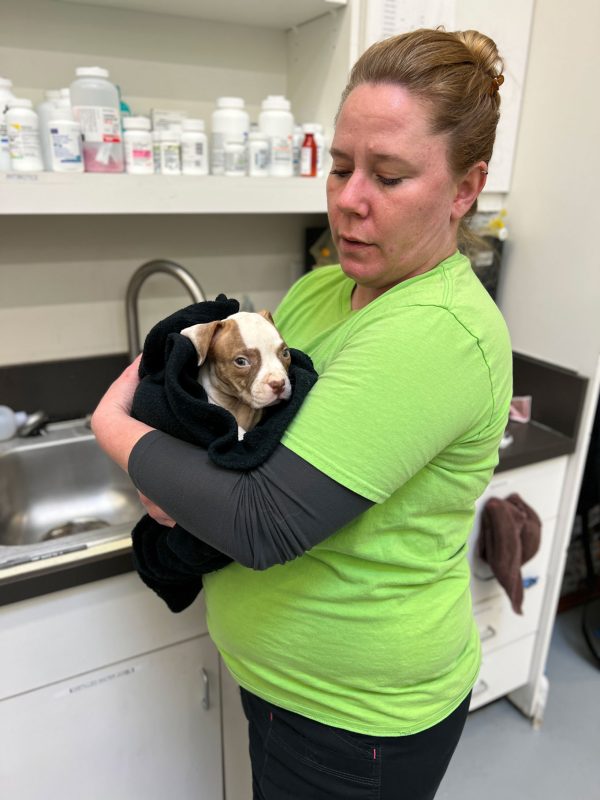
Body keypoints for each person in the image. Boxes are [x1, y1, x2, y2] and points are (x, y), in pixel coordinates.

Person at [92, 27, 512, 800]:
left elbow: (261, 520)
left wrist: (117, 428)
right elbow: (248, 435)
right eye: (342, 166)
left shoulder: (439, 331)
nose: (349, 201)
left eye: (388, 176)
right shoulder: (325, 287)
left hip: (352, 724)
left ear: (464, 187)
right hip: (286, 689)